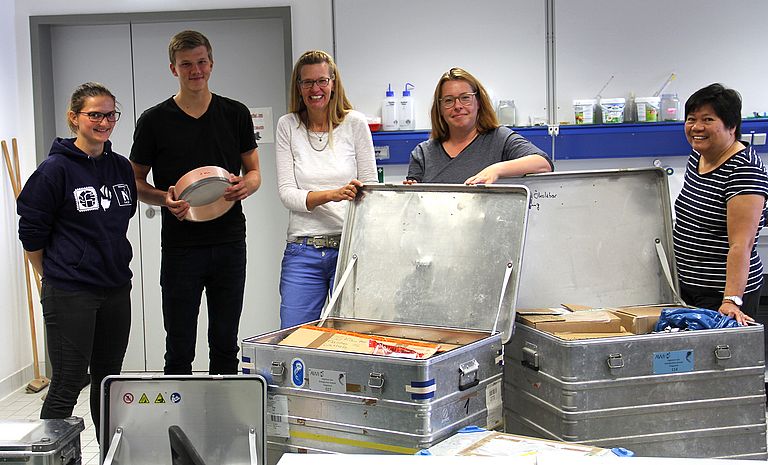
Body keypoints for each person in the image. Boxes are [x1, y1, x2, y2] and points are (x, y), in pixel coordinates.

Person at [130, 30, 261, 374]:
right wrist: (164, 198)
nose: (195, 70)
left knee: (225, 344)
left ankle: (222, 407)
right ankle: (179, 408)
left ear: (211, 63)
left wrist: (246, 185)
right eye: (186, 64)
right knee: (179, 347)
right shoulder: (154, 121)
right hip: (181, 248)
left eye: (201, 62)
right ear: (173, 69)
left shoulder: (235, 113)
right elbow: (135, 181)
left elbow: (254, 172)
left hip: (230, 243)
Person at [17, 82, 136, 436]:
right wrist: (51, 274)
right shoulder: (54, 170)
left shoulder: (120, 167)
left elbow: (119, 220)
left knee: (108, 380)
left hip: (115, 288)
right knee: (69, 380)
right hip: (70, 291)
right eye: (95, 115)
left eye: (110, 115)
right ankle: (51, 454)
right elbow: (32, 233)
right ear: (74, 118)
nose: (104, 122)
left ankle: (107, 455)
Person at [276, 50, 377, 328]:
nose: (315, 89)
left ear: (333, 82)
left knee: (351, 337)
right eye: (307, 82)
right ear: (298, 87)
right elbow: (287, 194)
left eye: (322, 81)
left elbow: (371, 189)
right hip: (303, 251)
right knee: (294, 336)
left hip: (349, 249)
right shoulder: (288, 126)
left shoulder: (355, 123)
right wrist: (332, 194)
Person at [673, 83, 768, 326]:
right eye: (691, 119)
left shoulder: (744, 170)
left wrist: (731, 300)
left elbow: (741, 244)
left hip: (721, 295)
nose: (697, 127)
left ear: (731, 126)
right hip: (688, 286)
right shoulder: (699, 155)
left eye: (708, 119)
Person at [406, 67, 553, 184]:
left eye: (465, 98)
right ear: (440, 109)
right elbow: (414, 201)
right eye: (448, 100)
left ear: (479, 103)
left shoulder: (499, 139)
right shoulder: (423, 153)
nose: (457, 106)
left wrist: (496, 169)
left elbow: (543, 164)